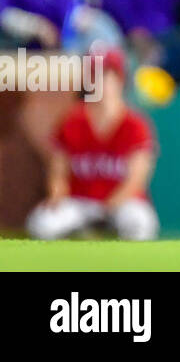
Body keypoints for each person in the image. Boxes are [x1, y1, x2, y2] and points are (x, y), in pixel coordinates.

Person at [26, 48, 160, 241]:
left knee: (141, 222)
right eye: (95, 76)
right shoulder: (73, 120)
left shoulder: (135, 124)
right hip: (80, 203)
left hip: (120, 204)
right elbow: (58, 171)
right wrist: (57, 195)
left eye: (107, 75)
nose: (101, 82)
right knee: (41, 224)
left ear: (120, 80)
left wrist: (105, 213)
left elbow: (136, 180)